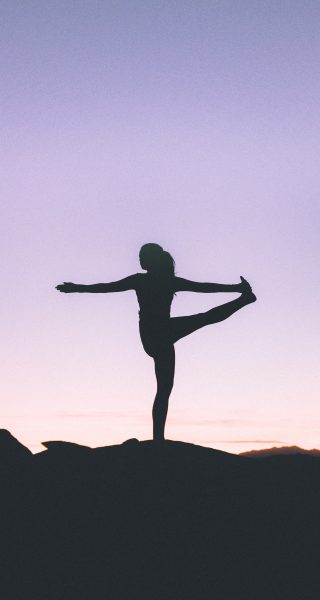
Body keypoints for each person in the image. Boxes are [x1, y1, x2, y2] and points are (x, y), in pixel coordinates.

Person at [56, 243, 256, 442]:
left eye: (142, 256)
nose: (139, 259)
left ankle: (158, 438)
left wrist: (75, 288)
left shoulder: (148, 281)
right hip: (159, 333)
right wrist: (76, 288)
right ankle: (244, 299)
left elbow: (204, 288)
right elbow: (106, 288)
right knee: (203, 319)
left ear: (153, 259)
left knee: (164, 389)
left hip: (157, 335)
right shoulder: (161, 281)